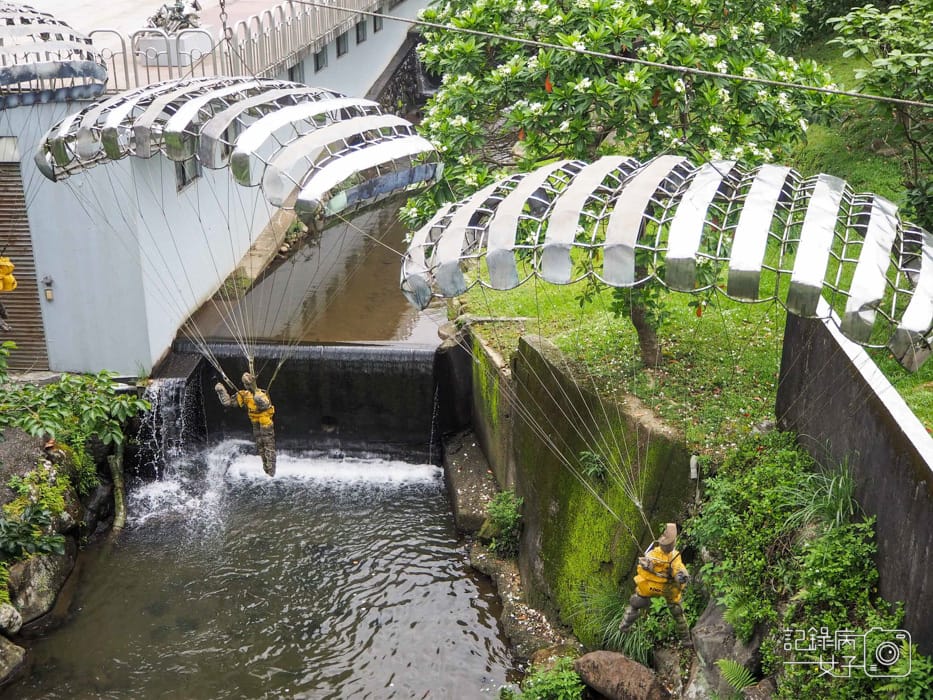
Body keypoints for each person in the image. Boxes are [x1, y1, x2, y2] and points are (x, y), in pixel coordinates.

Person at [618, 522, 692, 647]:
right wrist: (681, 576)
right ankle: (686, 640)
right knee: (677, 612)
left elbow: (675, 570)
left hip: (649, 587)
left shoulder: (655, 553)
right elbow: (678, 570)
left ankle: (624, 626)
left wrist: (648, 565)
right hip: (667, 589)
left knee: (635, 603)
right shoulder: (673, 556)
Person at [215, 372, 276, 477]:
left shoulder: (261, 393)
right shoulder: (244, 395)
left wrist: (258, 398)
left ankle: (271, 469)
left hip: (265, 422)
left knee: (268, 444)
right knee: (260, 445)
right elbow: (229, 403)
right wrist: (222, 392)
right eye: (245, 384)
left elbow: (265, 405)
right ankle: (266, 467)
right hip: (255, 422)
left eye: (248, 383)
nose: (246, 385)